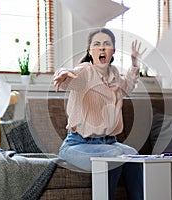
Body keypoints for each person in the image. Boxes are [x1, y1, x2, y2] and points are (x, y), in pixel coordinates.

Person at [53, 28, 146, 200]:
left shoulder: (114, 75)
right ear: (90, 51)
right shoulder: (86, 71)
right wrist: (62, 74)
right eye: (97, 44)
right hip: (77, 146)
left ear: (113, 51)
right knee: (114, 157)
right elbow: (71, 76)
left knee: (133, 154)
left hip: (110, 143)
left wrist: (134, 64)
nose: (102, 49)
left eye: (106, 44)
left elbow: (127, 86)